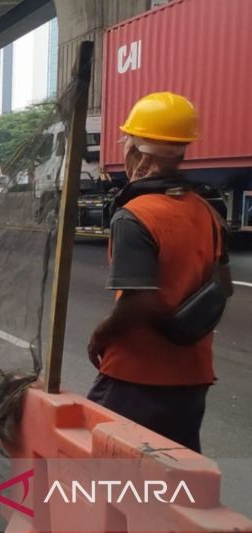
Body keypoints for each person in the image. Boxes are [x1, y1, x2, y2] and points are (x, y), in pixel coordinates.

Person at [86, 92, 233, 453]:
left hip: (135, 377)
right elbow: (223, 283)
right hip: (192, 377)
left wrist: (99, 337)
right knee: (173, 484)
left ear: (137, 151)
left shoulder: (135, 215)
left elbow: (140, 303)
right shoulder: (206, 211)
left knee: (104, 476)